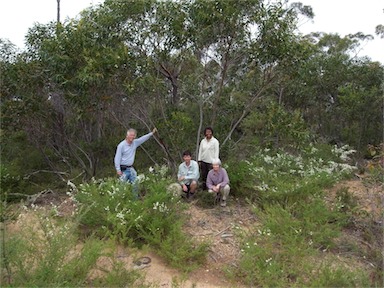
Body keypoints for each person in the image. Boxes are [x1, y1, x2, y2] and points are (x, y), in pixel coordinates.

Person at [114, 127, 157, 197]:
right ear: (127, 135)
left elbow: (142, 139)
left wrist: (151, 133)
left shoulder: (135, 143)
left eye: (134, 135)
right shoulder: (121, 145)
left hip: (130, 168)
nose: (132, 137)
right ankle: (121, 200)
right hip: (123, 169)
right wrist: (118, 169)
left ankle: (135, 200)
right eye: (131, 135)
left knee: (135, 184)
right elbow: (117, 158)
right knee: (122, 186)